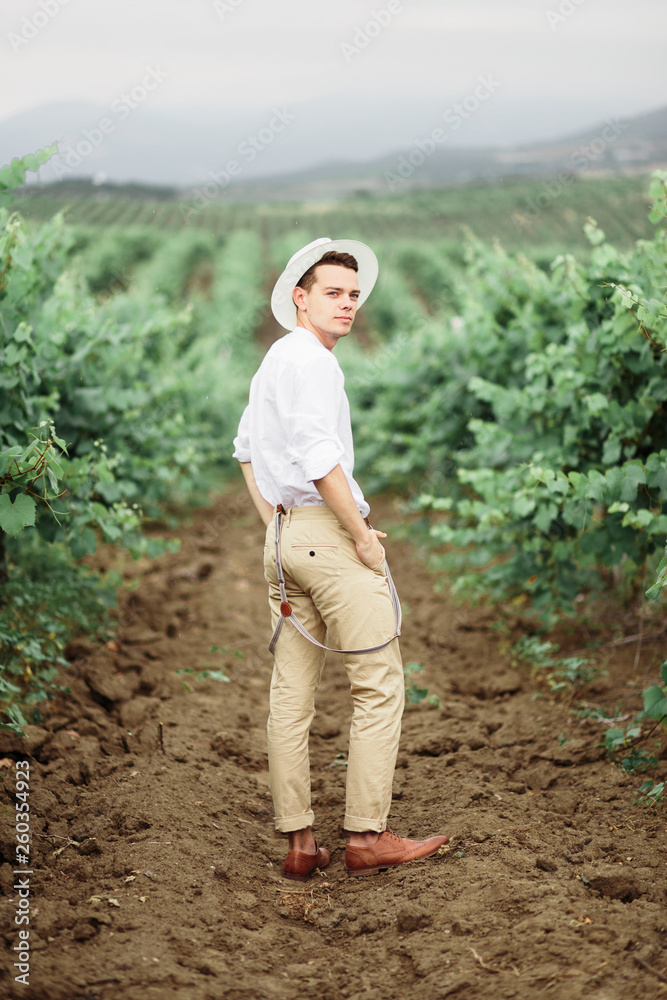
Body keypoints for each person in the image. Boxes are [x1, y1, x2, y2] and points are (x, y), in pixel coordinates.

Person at [233, 237, 448, 879]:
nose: (348, 304)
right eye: (333, 292)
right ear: (300, 298)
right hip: (326, 535)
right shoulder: (315, 363)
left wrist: (276, 527)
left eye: (354, 294)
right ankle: (367, 836)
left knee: (290, 695)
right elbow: (320, 457)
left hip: (284, 540)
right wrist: (359, 535)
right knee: (378, 683)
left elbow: (246, 451)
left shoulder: (275, 360)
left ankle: (301, 844)